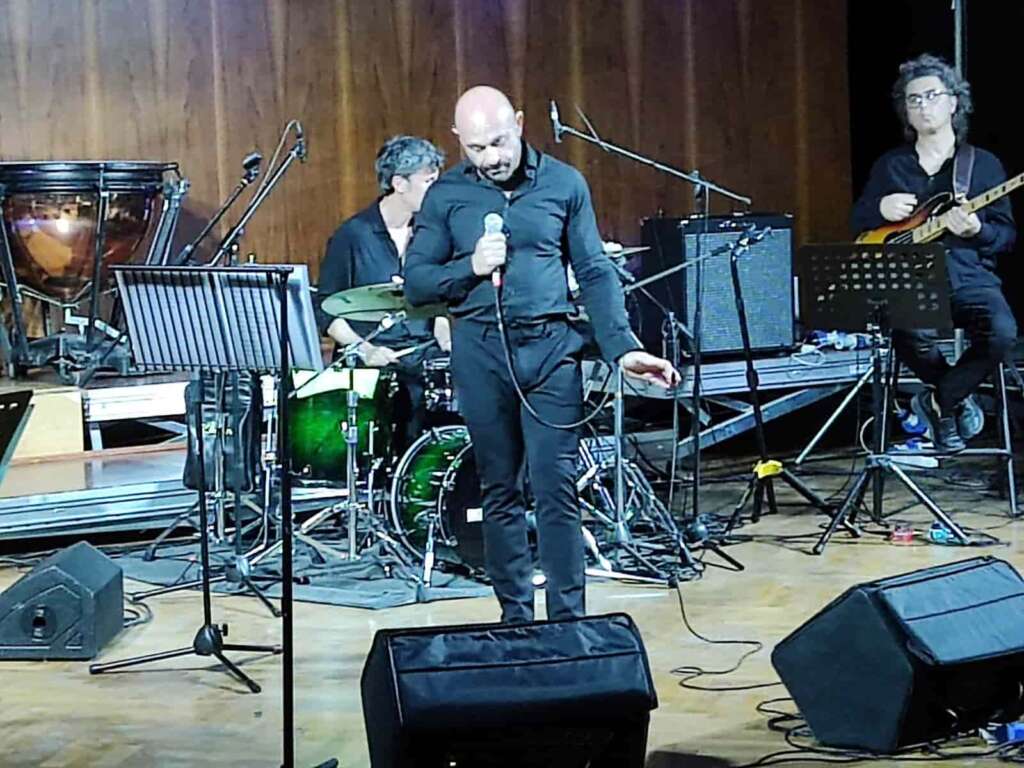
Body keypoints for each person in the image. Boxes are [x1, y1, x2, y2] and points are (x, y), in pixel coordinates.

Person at [404, 85, 679, 624]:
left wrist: (623, 348)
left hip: (551, 350)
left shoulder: (563, 183)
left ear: (521, 123)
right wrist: (471, 269)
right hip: (481, 352)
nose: (492, 158)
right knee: (499, 486)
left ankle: (567, 624)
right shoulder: (446, 196)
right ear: (460, 142)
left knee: (556, 488)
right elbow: (417, 283)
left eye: (500, 143)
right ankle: (516, 621)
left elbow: (596, 270)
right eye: (477, 148)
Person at [851, 54, 1017, 453]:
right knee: (903, 327)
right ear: (905, 111)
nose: (923, 106)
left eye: (931, 96)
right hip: (909, 281)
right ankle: (954, 401)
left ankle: (939, 400)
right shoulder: (890, 166)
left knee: (1002, 332)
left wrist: (977, 230)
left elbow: (1006, 236)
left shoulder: (983, 166)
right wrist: (879, 209)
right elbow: (859, 222)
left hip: (969, 278)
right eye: (913, 100)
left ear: (953, 103)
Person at [316, 135, 449, 454]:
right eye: (428, 181)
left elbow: (439, 299)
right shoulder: (353, 235)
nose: (436, 189)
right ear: (399, 184)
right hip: (372, 361)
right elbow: (325, 309)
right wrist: (366, 350)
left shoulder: (433, 232)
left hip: (423, 357)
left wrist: (444, 331)